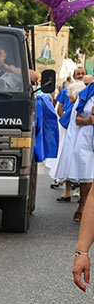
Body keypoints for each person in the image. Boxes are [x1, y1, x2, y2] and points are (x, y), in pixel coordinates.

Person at [52, 80, 94, 222]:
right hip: (87, 140)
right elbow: (76, 119)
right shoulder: (86, 94)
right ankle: (82, 208)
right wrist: (90, 119)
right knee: (86, 175)